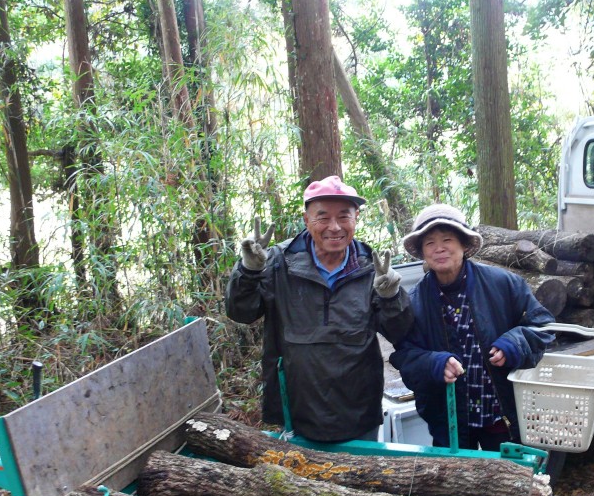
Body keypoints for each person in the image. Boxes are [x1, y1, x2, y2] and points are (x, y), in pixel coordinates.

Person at [225, 176, 413, 442]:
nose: (334, 227)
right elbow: (241, 312)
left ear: (356, 218)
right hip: (296, 410)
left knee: (361, 468)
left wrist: (391, 296)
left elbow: (400, 332)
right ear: (306, 220)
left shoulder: (370, 266)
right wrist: (249, 271)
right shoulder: (278, 262)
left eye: (344, 216)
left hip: (358, 412)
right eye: (323, 217)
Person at [388, 203, 555, 451]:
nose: (439, 248)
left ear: (464, 245)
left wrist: (514, 344)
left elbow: (542, 325)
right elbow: (405, 357)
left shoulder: (503, 283)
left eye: (447, 239)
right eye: (430, 243)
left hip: (500, 415)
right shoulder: (415, 302)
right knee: (456, 475)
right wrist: (434, 363)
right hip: (449, 422)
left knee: (504, 474)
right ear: (422, 251)